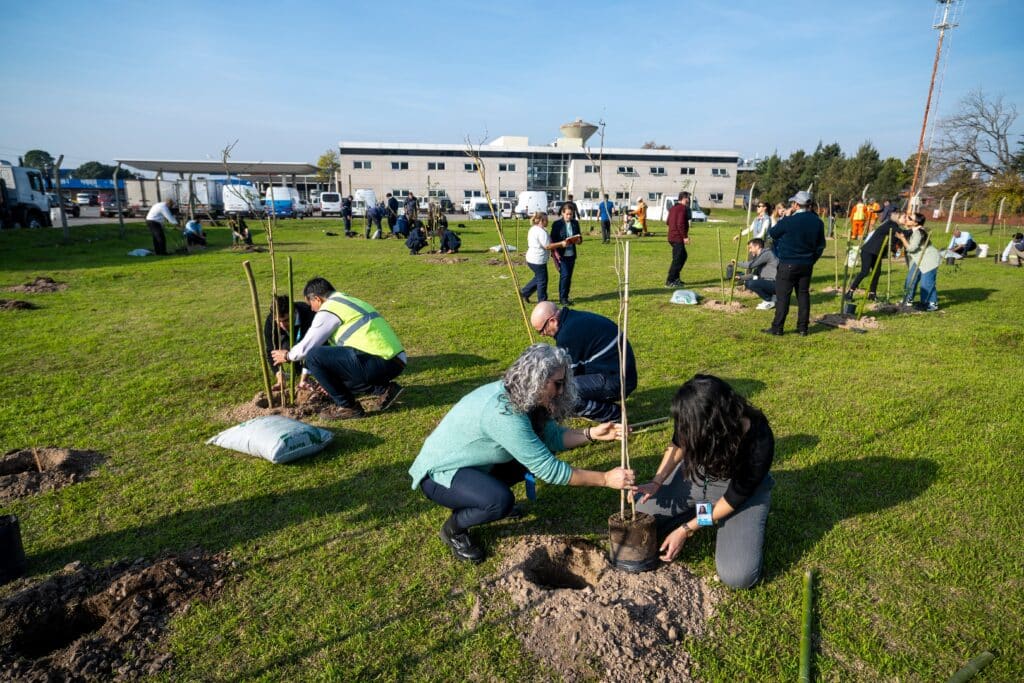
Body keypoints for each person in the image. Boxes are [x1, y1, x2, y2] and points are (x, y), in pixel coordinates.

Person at [408, 344, 636, 563]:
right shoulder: (504, 413)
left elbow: (552, 438)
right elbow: (549, 470)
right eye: (558, 383)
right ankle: (454, 530)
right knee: (499, 501)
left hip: (474, 465)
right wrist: (605, 479)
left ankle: (478, 498)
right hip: (439, 475)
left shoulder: (523, 396)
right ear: (537, 381)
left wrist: (592, 433)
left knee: (532, 457)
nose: (562, 390)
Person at [635, 375, 774, 589]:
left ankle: (704, 515)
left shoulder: (759, 440)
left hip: (739, 494)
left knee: (738, 575)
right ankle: (701, 510)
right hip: (699, 477)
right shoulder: (694, 415)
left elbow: (733, 498)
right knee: (640, 514)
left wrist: (686, 529)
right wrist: (657, 481)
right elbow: (677, 443)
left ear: (713, 426)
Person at [270, 277, 405, 419]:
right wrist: (329, 380)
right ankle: (385, 389)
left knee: (313, 356)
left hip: (378, 362)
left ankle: (348, 407)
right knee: (337, 382)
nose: (311, 308)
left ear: (317, 299)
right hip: (395, 360)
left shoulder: (329, 309)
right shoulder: (350, 301)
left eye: (310, 303)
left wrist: (287, 356)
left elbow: (308, 346)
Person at [531, 301, 637, 421]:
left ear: (552, 321)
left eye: (541, 330)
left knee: (563, 392)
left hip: (619, 380)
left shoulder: (567, 335)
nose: (542, 335)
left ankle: (613, 414)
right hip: (620, 371)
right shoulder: (573, 319)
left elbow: (566, 376)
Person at [763, 190, 826, 337]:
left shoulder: (789, 221)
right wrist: (811, 260)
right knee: (803, 295)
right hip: (807, 264)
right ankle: (803, 328)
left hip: (788, 263)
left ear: (796, 205)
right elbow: (820, 246)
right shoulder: (818, 222)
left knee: (783, 297)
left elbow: (772, 233)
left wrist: (785, 217)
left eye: (793, 203)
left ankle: (777, 328)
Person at [845, 211, 903, 300]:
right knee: (864, 272)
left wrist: (895, 250)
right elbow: (903, 233)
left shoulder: (894, 226)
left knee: (877, 273)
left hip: (877, 252)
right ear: (897, 218)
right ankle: (850, 292)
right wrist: (913, 229)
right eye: (904, 218)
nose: (905, 219)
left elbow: (895, 240)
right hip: (868, 251)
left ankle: (872, 294)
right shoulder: (891, 225)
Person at [263, 295, 316, 391]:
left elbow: (313, 345)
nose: (282, 325)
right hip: (288, 341)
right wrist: (280, 379)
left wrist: (304, 379)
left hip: (307, 340)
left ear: (294, 312)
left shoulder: (308, 313)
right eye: (279, 321)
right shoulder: (271, 322)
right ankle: (298, 369)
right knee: (286, 349)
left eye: (286, 320)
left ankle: (308, 371)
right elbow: (271, 352)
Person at [896, 212, 941, 311]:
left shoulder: (918, 232)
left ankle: (932, 304)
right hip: (919, 260)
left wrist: (902, 239)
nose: (907, 219)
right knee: (910, 280)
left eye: (910, 218)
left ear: (916, 223)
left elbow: (911, 248)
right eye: (907, 217)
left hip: (929, 260)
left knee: (926, 283)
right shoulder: (912, 230)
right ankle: (907, 300)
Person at [549, 204, 582, 306]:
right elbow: (552, 240)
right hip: (561, 255)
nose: (569, 216)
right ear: (563, 213)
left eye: (571, 214)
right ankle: (562, 298)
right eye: (567, 214)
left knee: (569, 276)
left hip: (571, 254)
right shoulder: (557, 224)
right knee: (565, 276)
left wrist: (578, 240)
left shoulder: (575, 223)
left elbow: (580, 238)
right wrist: (561, 244)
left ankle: (566, 297)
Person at [733, 238, 778, 310]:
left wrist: (737, 263)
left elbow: (751, 265)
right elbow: (754, 275)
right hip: (770, 283)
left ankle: (769, 300)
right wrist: (741, 278)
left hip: (776, 284)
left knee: (751, 283)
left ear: (757, 246)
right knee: (748, 283)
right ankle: (772, 298)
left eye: (750, 248)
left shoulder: (767, 254)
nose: (749, 250)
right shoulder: (761, 257)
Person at [521, 213, 555, 303]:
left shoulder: (533, 229)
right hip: (538, 260)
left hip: (531, 258)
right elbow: (547, 246)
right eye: (546, 220)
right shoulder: (541, 232)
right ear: (541, 221)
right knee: (542, 280)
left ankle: (525, 292)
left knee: (539, 278)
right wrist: (561, 244)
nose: (548, 221)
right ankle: (542, 301)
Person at [665, 191, 691, 287]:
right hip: (677, 238)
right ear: (684, 199)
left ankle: (676, 278)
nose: (689, 201)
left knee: (682, 256)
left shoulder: (673, 208)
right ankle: (670, 281)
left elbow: (667, 222)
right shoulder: (683, 209)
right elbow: (680, 224)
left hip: (671, 237)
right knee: (678, 259)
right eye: (688, 198)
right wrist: (685, 237)